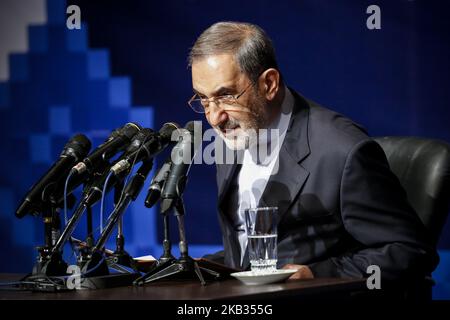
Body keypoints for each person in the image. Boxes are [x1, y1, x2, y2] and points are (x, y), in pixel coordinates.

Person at [187, 21, 438, 288]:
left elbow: (411, 251)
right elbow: (250, 254)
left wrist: (318, 274)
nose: (214, 117)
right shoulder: (233, 135)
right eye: (203, 99)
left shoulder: (342, 152)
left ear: (269, 84)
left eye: (226, 96)